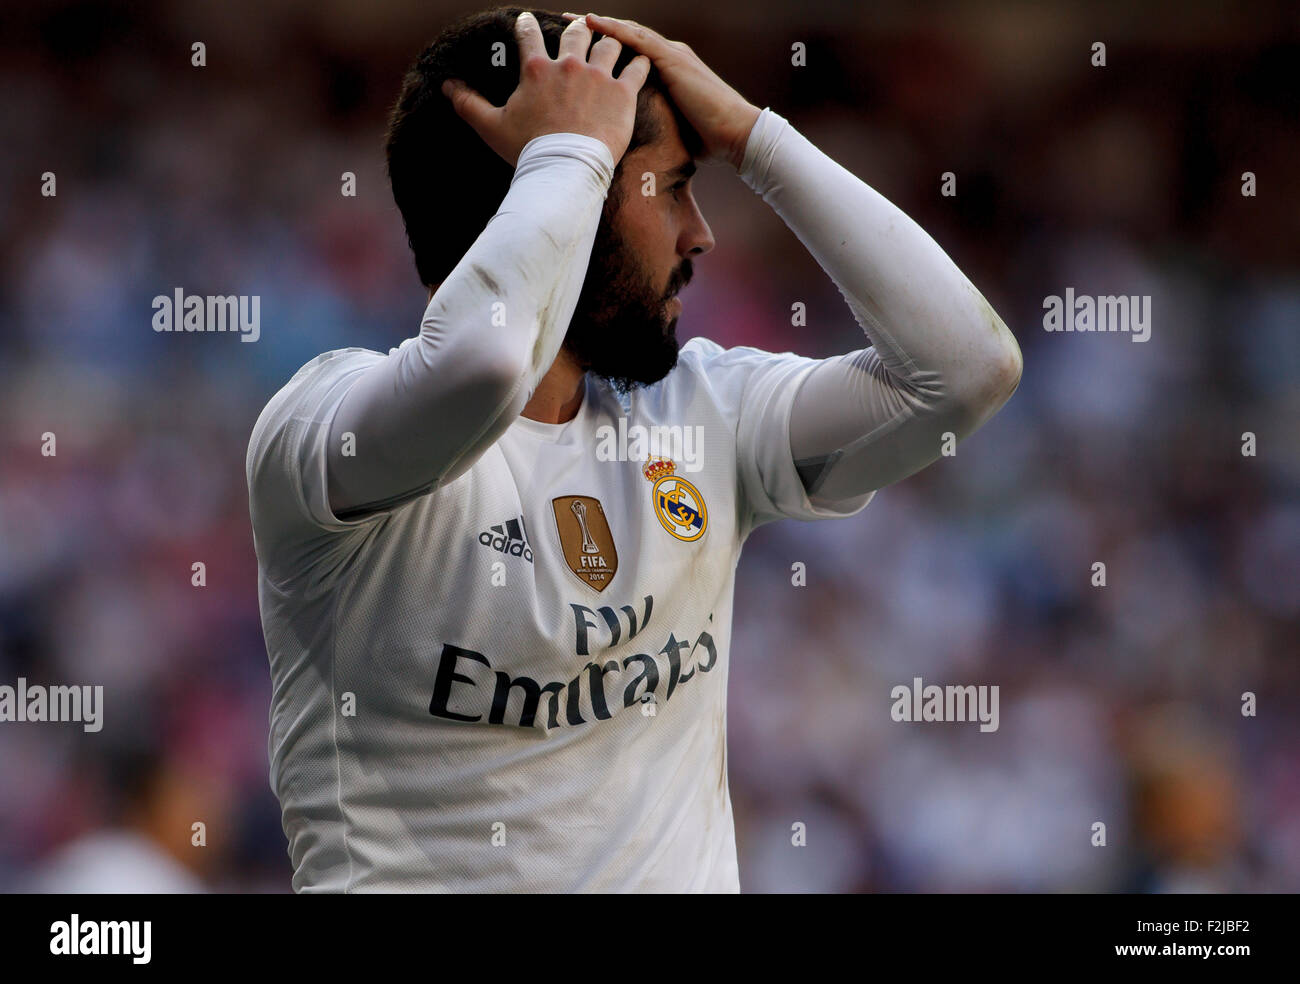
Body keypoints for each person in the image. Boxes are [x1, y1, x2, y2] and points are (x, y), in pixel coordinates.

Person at [246, 7, 1022, 892]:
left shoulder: (702, 415)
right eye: (673, 187)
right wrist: (570, 152)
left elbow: (966, 370)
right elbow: (485, 367)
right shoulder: (320, 429)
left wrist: (756, 140)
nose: (701, 233)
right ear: (549, 192)